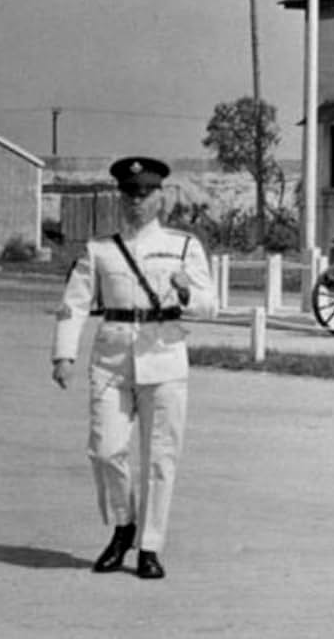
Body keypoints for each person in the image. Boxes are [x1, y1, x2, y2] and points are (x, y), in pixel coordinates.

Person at [51, 156, 217, 580]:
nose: (137, 202)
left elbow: (208, 306)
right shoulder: (99, 249)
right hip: (112, 359)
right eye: (130, 194)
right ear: (119, 197)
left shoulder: (183, 246)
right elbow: (74, 303)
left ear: (161, 198)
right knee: (106, 450)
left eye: (145, 194)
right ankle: (124, 526)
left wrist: (184, 293)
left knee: (161, 458)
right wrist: (64, 355)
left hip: (163, 355)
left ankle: (150, 546)